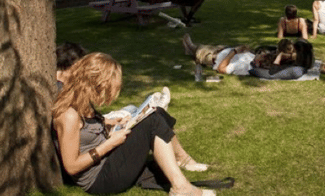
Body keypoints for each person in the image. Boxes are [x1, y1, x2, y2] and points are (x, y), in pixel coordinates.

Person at [53, 53, 213, 195]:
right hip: (100, 179)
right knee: (153, 121)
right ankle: (181, 188)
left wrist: (109, 123)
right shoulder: (69, 115)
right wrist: (109, 145)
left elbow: (87, 131)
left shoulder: (82, 100)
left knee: (156, 112)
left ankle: (183, 160)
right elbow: (71, 166)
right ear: (95, 83)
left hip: (108, 161)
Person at [182, 34, 262, 76]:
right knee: (205, 47)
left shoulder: (244, 67)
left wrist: (234, 51)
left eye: (263, 55)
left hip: (212, 58)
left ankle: (190, 49)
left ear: (259, 62)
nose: (262, 53)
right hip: (221, 50)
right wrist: (245, 49)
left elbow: (221, 69)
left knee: (198, 50)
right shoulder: (253, 58)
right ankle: (191, 50)